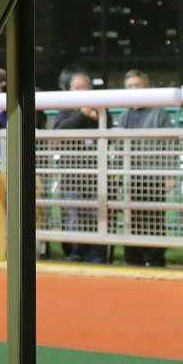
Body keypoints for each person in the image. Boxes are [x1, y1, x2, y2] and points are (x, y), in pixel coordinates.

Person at [116, 68, 180, 267]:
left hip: (153, 177)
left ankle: (154, 259)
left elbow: (171, 146)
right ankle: (132, 258)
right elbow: (118, 147)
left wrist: (170, 175)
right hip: (130, 178)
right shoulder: (124, 115)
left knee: (154, 218)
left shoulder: (159, 113)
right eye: (130, 86)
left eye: (137, 86)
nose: (133, 90)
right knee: (131, 217)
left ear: (147, 87)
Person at [49, 71, 102, 262]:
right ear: (70, 89)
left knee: (98, 213)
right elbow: (60, 131)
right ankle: (75, 251)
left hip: (97, 173)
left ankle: (96, 253)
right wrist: (82, 114)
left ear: (90, 88)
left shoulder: (101, 107)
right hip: (71, 173)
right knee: (73, 214)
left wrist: (93, 116)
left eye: (84, 87)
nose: (81, 91)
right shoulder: (64, 109)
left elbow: (108, 129)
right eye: (77, 87)